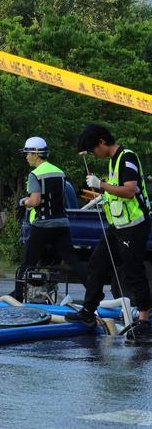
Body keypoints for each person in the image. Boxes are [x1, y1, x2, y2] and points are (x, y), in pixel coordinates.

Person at [65, 124, 151, 342]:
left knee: (133, 272)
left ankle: (143, 322)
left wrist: (100, 184)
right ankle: (88, 313)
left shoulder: (127, 157)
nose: (95, 154)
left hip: (133, 226)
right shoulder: (113, 161)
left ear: (102, 142)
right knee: (96, 263)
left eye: (94, 149)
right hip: (118, 227)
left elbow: (129, 191)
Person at [12, 137, 88, 301]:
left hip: (43, 224)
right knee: (73, 260)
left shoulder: (35, 175)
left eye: (28, 153)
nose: (26, 157)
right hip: (62, 223)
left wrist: (23, 201)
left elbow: (35, 201)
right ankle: (94, 290)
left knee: (27, 262)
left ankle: (16, 298)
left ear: (36, 154)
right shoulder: (59, 172)